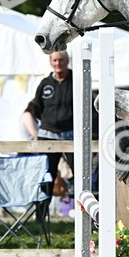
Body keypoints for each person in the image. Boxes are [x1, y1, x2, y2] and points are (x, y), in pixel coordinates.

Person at [22, 50, 75, 182]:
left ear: (67, 61)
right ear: (50, 62)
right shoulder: (45, 83)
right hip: (48, 136)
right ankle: (43, 203)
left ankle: (80, 202)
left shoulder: (77, 81)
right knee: (45, 177)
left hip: (71, 136)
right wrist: (41, 130)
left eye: (61, 60)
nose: (58, 63)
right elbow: (35, 108)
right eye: (55, 60)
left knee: (79, 174)